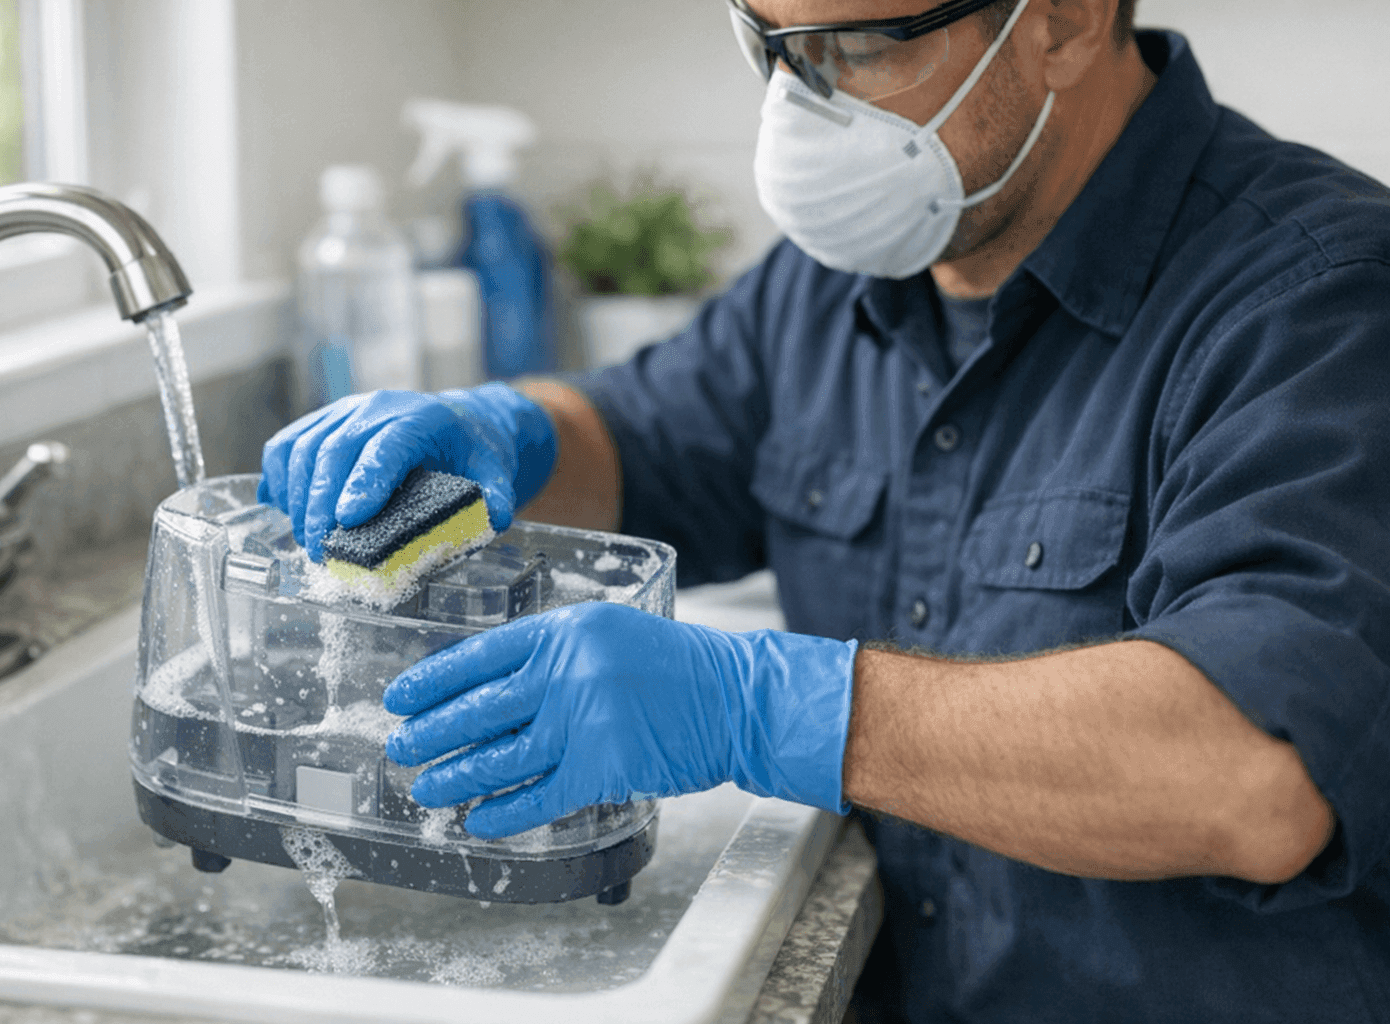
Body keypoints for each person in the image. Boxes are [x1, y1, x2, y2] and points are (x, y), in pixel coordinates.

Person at [260, 0, 1390, 1018]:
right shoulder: (854, 272)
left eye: (857, 47)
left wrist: (763, 708)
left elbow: (1255, 776)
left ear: (1064, 22)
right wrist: (508, 426)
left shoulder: (1320, 299)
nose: (804, 113)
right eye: (776, 48)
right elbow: (651, 434)